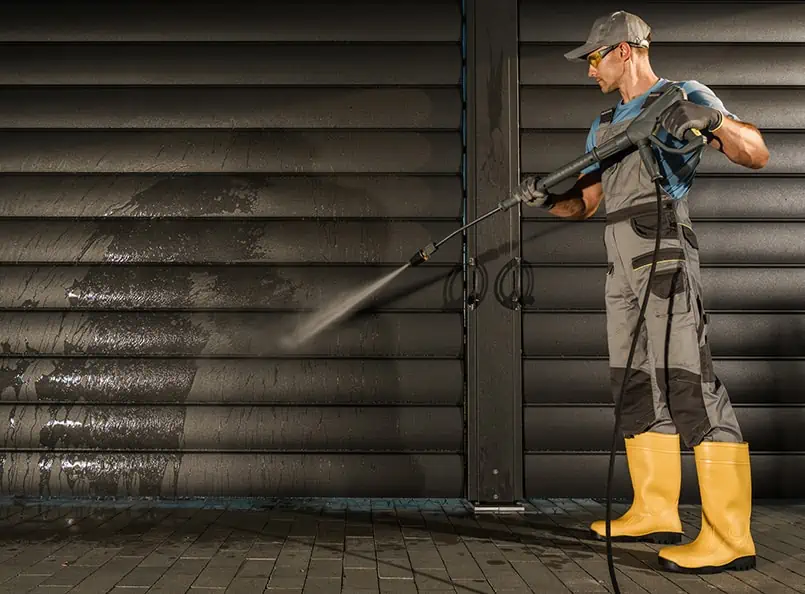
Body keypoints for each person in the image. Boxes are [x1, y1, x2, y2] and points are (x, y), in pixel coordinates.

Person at [512, 10, 769, 574]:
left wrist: (711, 120)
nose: (589, 71)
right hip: (618, 258)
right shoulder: (604, 124)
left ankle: (730, 537)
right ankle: (655, 509)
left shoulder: (682, 94)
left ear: (625, 51)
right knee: (633, 385)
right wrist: (546, 197)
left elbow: (756, 152)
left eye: (594, 58)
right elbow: (588, 203)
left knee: (687, 381)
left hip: (664, 246)